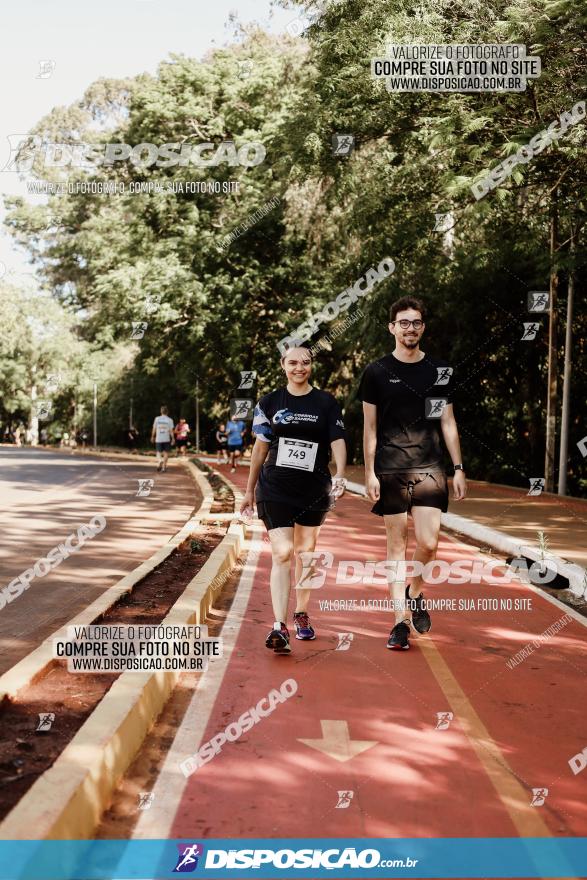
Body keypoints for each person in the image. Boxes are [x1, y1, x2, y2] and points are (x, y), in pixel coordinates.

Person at [359, 295, 467, 651]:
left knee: (429, 543)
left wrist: (459, 468)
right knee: (395, 547)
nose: (410, 328)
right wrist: (370, 473)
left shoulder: (439, 372)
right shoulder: (376, 372)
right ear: (392, 328)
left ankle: (414, 591)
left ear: (423, 327)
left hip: (431, 466)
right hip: (390, 466)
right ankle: (398, 622)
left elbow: (447, 421)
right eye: (403, 322)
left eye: (416, 322)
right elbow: (370, 427)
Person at [240, 345, 347, 654]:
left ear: (311, 365)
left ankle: (301, 612)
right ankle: (278, 624)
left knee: (307, 553)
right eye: (293, 362)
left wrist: (340, 471)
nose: (299, 367)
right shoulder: (269, 402)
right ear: (282, 365)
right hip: (275, 487)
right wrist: (248, 490)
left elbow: (337, 440)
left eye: (305, 362)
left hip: (314, 488)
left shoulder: (326, 402)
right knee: (283, 553)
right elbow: (259, 449)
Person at [150, 406, 175, 472]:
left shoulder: (157, 419)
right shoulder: (170, 420)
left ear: (161, 411)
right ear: (167, 412)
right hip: (166, 439)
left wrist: (152, 436)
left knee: (158, 452)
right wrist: (173, 438)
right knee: (166, 453)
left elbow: (154, 429)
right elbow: (171, 431)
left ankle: (160, 461)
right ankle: (164, 467)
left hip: (158, 439)